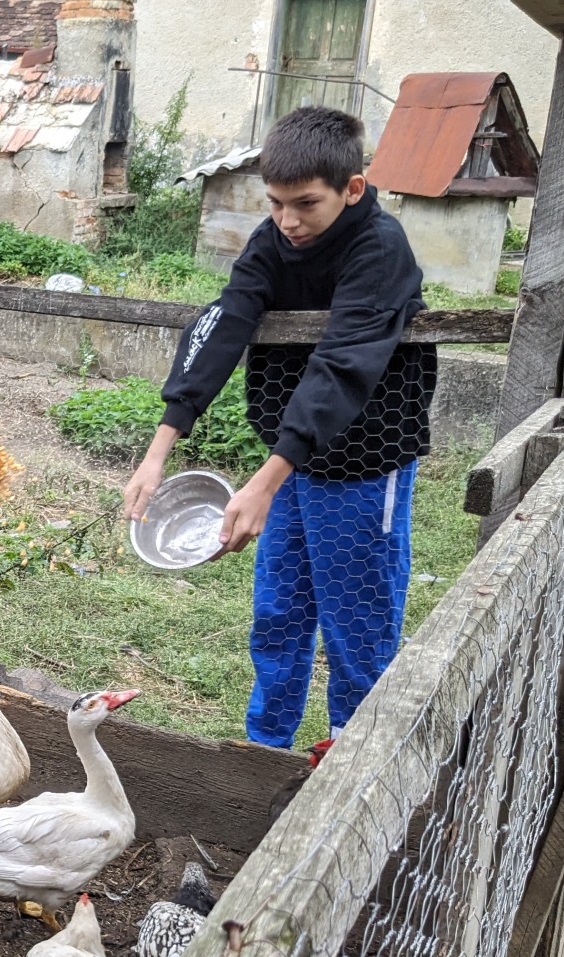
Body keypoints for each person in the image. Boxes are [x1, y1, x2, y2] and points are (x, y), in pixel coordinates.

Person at [121, 106, 436, 750]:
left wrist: (264, 483)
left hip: (362, 463)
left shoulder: (380, 248)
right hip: (288, 460)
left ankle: (351, 758)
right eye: (275, 203)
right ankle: (265, 748)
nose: (288, 220)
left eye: (305, 204)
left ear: (352, 189)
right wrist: (158, 450)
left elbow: (341, 367)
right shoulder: (272, 240)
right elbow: (222, 327)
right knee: (279, 614)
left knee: (357, 621)